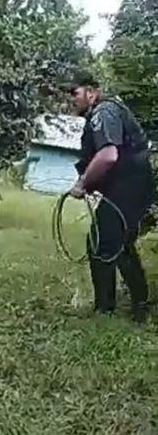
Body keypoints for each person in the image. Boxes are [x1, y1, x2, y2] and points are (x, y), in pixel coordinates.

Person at [66, 70, 155, 324]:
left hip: (129, 187)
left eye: (75, 92)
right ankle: (140, 308)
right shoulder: (107, 111)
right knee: (120, 245)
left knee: (100, 243)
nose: (71, 98)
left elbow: (108, 156)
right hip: (135, 186)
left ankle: (105, 311)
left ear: (91, 92)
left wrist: (83, 183)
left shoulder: (103, 113)